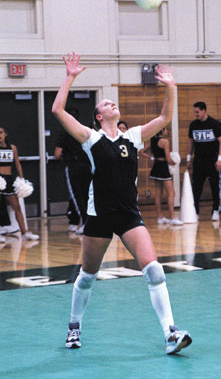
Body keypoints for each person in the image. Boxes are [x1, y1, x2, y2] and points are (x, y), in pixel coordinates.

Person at [52, 52, 192, 355]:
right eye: (105, 104)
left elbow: (166, 118)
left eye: (113, 102)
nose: (111, 103)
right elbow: (57, 109)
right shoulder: (90, 138)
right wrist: (69, 78)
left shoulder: (134, 138)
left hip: (129, 216)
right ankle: (74, 327)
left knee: (154, 271)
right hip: (100, 216)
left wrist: (171, 86)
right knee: (87, 277)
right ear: (99, 117)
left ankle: (170, 333)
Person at [55, 108, 92, 234]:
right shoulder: (85, 131)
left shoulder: (65, 133)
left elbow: (57, 154)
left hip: (73, 167)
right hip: (87, 167)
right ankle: (83, 221)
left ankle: (85, 223)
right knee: (87, 195)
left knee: (77, 196)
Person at [186, 102, 221, 221]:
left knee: (215, 187)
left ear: (204, 111)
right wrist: (188, 158)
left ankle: (215, 210)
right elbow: (190, 142)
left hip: (212, 160)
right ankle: (195, 211)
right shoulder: (193, 125)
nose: (195, 114)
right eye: (195, 112)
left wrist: (219, 159)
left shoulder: (214, 124)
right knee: (196, 187)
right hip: (198, 160)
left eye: (197, 112)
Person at [0, 127, 39, 240]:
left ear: (6, 134)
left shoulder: (12, 148)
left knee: (17, 207)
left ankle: (24, 233)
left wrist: (21, 179)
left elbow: (17, 164)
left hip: (9, 180)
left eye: (1, 132)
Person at [140, 128, 183, 225]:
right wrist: (175, 162)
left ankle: (160, 217)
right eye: (166, 129)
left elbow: (141, 151)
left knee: (158, 194)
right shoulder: (165, 141)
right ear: (162, 131)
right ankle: (172, 218)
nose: (167, 131)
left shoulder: (153, 141)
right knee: (172, 193)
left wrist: (151, 157)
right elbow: (168, 159)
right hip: (163, 168)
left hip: (156, 167)